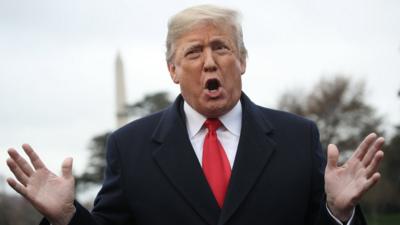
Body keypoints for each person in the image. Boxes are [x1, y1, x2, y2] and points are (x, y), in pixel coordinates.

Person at [6, 4, 384, 225]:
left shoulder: (297, 137)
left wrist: (339, 212)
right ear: (172, 70)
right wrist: (67, 217)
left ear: (243, 60)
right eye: (192, 53)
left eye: (221, 47)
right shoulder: (129, 146)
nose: (209, 63)